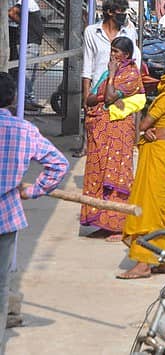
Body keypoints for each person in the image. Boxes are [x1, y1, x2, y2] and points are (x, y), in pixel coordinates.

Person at [0, 72, 69, 348]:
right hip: (6, 217)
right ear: (13, 98)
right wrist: (34, 189)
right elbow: (59, 165)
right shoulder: (23, 130)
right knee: (1, 286)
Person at [118, 61, 165, 279]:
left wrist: (146, 126)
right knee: (164, 210)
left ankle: (144, 263)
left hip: (158, 156)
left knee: (148, 209)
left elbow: (143, 125)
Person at [80, 36, 144, 238]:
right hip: (100, 130)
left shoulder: (131, 75)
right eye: (111, 50)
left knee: (116, 174)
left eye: (116, 51)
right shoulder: (108, 73)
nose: (112, 54)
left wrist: (113, 75)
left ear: (126, 55)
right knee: (98, 173)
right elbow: (89, 99)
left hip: (118, 132)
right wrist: (101, 95)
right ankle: (102, 222)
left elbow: (109, 98)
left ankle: (118, 225)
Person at [82, 0, 141, 114]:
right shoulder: (92, 32)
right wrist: (86, 96)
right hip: (98, 92)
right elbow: (87, 67)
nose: (124, 15)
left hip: (120, 92)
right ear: (110, 12)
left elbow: (134, 63)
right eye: (121, 11)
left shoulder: (129, 33)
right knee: (96, 128)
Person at [8, 0, 46, 110]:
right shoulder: (26, 1)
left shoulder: (32, 3)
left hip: (33, 42)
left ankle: (29, 98)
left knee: (31, 72)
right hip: (28, 42)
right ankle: (25, 100)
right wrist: (24, 24)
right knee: (26, 73)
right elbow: (12, 12)